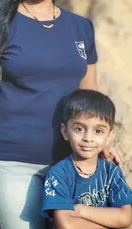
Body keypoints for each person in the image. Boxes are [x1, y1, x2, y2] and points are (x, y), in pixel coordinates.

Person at [0, 0, 121, 229]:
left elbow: (89, 96)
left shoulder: (81, 28)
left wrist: (103, 143)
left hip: (73, 166)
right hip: (12, 164)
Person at [41, 89, 132, 229]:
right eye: (79, 129)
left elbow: (126, 218)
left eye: (98, 131)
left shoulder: (111, 172)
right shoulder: (59, 174)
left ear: (109, 136)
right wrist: (110, 221)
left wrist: (79, 210)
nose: (88, 138)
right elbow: (66, 225)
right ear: (65, 132)